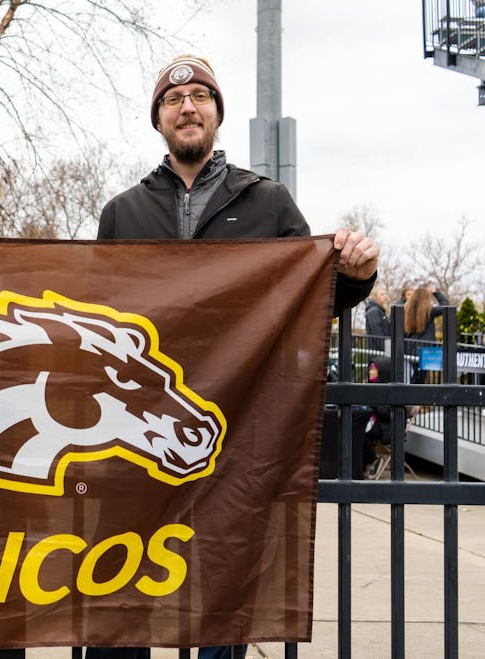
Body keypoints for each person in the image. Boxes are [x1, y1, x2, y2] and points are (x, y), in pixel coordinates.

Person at [94, 54, 379, 659]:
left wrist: (357, 276)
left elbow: (312, 293)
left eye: (200, 96)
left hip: (238, 429)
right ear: (159, 120)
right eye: (174, 100)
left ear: (217, 114)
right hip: (144, 435)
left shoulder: (268, 201)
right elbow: (100, 314)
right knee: (123, 591)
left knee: (223, 596)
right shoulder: (124, 211)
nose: (187, 106)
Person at [404, 285, 449, 384]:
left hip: (409, 349)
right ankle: (413, 397)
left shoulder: (406, 310)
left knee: (414, 376)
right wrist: (435, 292)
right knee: (419, 378)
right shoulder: (429, 312)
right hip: (425, 351)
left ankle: (412, 396)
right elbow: (446, 306)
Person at [364, 286, 390, 352]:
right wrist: (387, 350)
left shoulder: (380, 311)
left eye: (385, 294)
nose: (385, 296)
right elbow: (377, 333)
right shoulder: (374, 311)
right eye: (382, 294)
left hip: (382, 351)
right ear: (375, 297)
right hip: (377, 353)